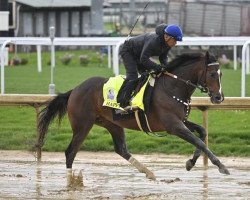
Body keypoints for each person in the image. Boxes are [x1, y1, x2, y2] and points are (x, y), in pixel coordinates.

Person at [117, 24, 183, 108]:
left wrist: (167, 68)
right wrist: (158, 67)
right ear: (167, 37)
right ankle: (122, 102)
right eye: (175, 41)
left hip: (139, 54)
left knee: (147, 76)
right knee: (133, 76)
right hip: (128, 51)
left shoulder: (167, 44)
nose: (175, 43)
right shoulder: (154, 41)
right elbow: (143, 59)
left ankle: (139, 98)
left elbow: (163, 58)